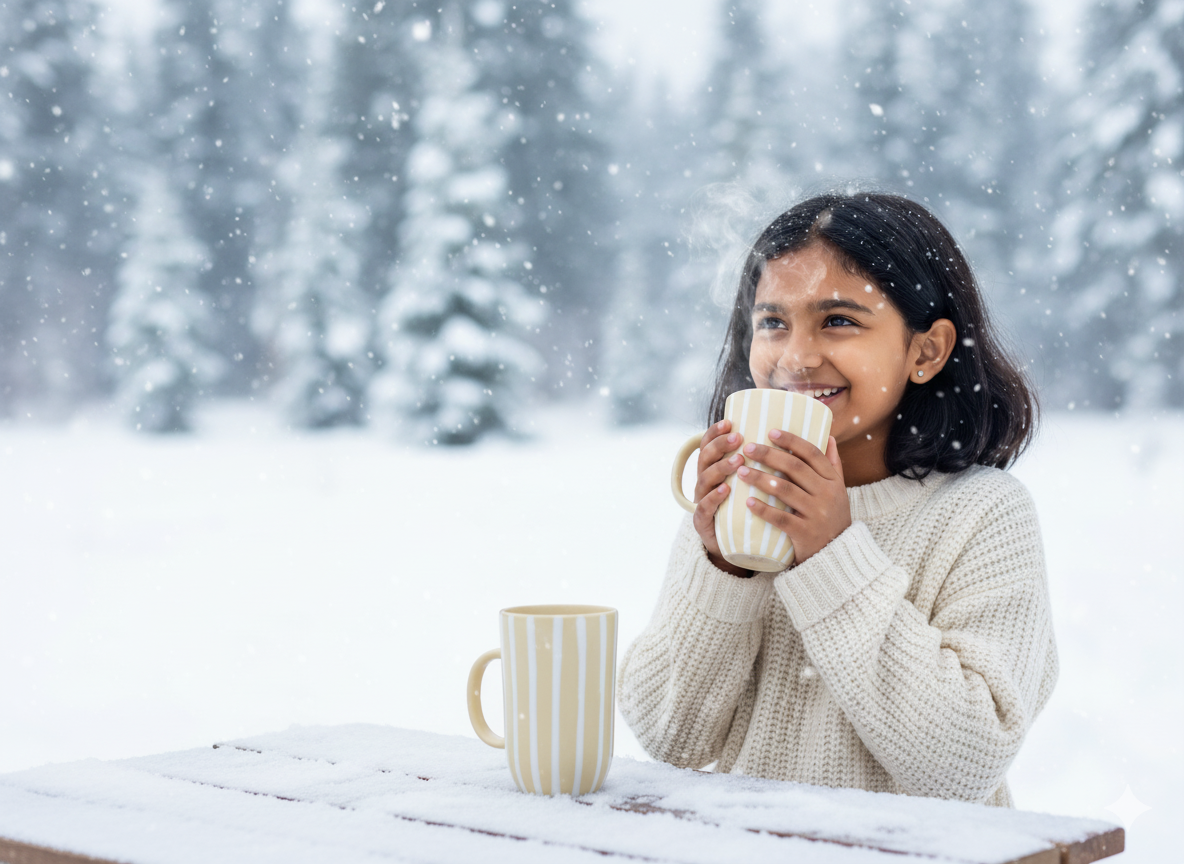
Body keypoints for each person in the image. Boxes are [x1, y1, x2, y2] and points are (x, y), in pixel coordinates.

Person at [618, 191, 1057, 807]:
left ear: (925, 351)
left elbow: (965, 762)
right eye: (773, 322)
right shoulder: (740, 502)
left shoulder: (982, 515)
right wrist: (724, 567)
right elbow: (673, 737)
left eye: (839, 321)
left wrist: (832, 553)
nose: (794, 358)